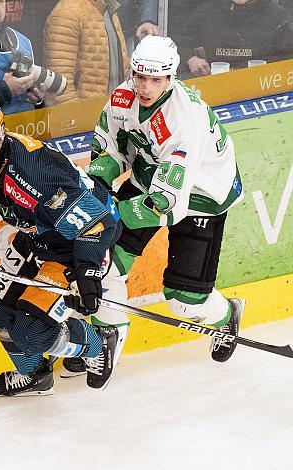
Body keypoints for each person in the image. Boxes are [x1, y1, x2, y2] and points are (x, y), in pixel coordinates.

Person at [63, 35, 245, 377]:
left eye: (156, 79)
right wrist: (100, 186)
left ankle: (226, 314)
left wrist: (111, 214)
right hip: (151, 175)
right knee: (104, 264)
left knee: (181, 299)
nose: (145, 87)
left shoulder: (182, 119)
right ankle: (104, 339)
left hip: (204, 194)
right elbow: (110, 150)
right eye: (140, 77)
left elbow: (166, 204)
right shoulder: (123, 96)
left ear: (171, 78)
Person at [0, 95, 123, 396]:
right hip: (36, 238)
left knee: (31, 332)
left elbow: (95, 223)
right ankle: (34, 374)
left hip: (76, 242)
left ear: (0, 133)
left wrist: (87, 272)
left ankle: (98, 342)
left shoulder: (34, 172)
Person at [44, 0, 130, 105]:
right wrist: (79, 118)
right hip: (87, 116)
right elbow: (60, 86)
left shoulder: (108, 8)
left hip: (111, 113)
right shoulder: (67, 13)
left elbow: (120, 70)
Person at [185, 0, 293, 76]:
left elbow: (287, 57)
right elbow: (179, 41)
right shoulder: (205, 12)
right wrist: (191, 59)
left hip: (261, 88)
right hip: (212, 85)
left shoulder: (278, 15)